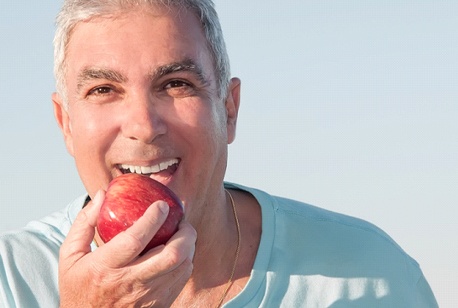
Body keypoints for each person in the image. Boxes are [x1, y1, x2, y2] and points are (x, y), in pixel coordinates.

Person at [0, 0, 438, 307]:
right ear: (66, 125)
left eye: (176, 84)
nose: (143, 125)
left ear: (228, 110)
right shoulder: (10, 281)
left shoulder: (373, 272)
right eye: (103, 90)